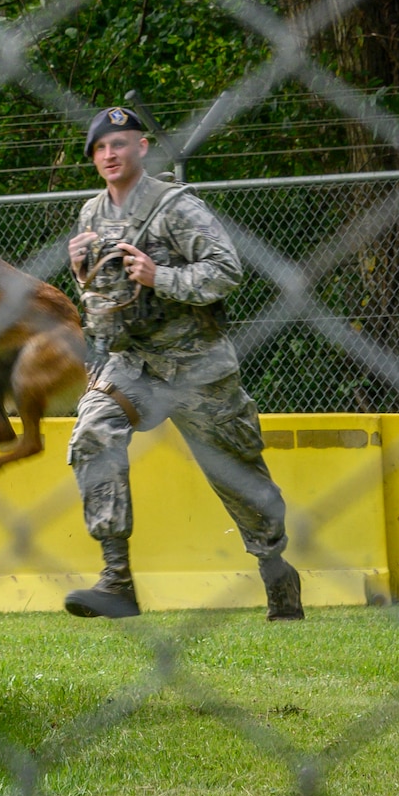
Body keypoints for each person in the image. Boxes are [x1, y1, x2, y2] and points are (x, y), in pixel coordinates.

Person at [61, 106, 302, 621]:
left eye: (119, 144)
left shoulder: (177, 207)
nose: (109, 154)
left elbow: (226, 272)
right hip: (135, 364)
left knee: (240, 481)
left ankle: (275, 567)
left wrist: (159, 277)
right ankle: (116, 579)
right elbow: (103, 300)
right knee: (92, 434)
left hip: (198, 366)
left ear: (142, 148)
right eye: (100, 148)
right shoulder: (90, 215)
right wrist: (81, 272)